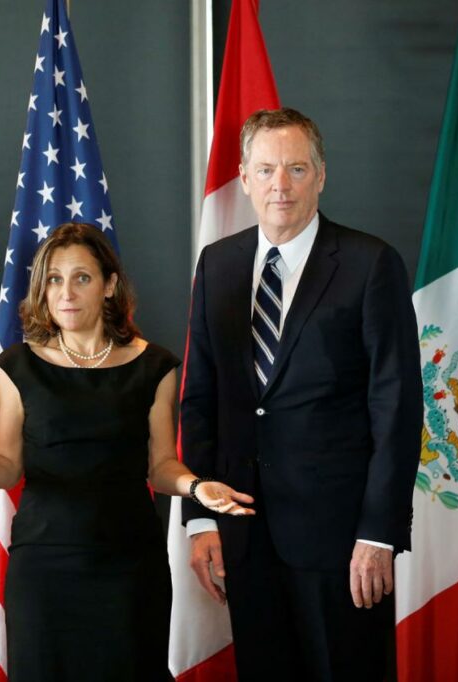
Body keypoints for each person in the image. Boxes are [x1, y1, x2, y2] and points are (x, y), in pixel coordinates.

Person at [0, 222, 252, 681]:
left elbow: (161, 467)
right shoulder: (18, 365)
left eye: (82, 277)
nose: (67, 293)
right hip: (44, 566)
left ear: (109, 285)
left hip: (128, 566)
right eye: (54, 279)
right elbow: (6, 465)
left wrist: (196, 487)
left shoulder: (153, 365)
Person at [181, 108, 422, 681]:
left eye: (296, 168)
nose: (280, 186)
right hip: (243, 532)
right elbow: (200, 399)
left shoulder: (369, 264)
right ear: (244, 178)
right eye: (266, 170)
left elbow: (396, 407)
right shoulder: (218, 264)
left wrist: (379, 532)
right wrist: (200, 520)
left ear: (321, 175)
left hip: (342, 543)